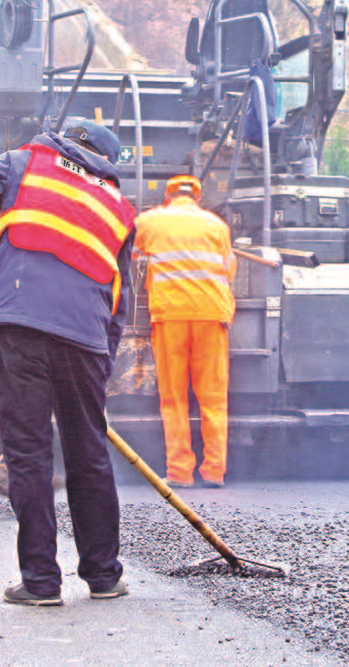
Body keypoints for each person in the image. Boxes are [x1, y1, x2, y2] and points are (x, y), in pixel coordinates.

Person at [0, 120, 136, 606]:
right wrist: (102, 359)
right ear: (108, 165)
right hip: (86, 339)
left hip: (21, 325)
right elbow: (121, 298)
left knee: (29, 455)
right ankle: (104, 576)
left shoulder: (23, 162)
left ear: (63, 140)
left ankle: (42, 583)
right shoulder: (119, 207)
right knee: (89, 454)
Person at [132, 174, 235, 489]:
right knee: (213, 398)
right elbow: (229, 269)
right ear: (197, 198)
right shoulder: (217, 226)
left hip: (171, 316)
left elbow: (132, 257)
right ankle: (215, 471)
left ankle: (179, 473)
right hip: (211, 316)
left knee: (173, 398)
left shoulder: (148, 221)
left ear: (168, 196)